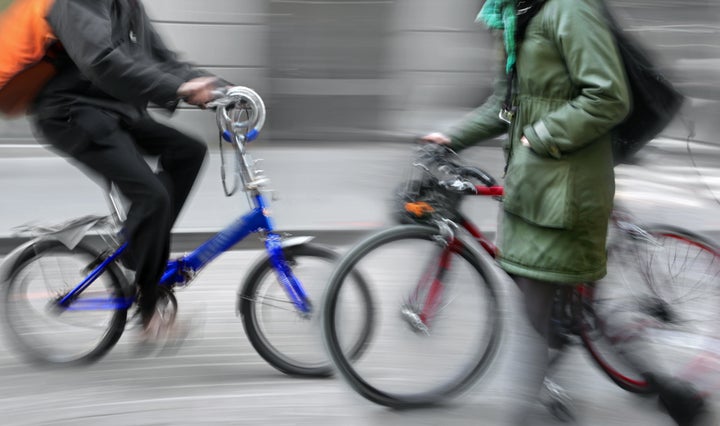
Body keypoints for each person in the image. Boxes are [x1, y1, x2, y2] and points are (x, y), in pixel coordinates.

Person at [421, 0, 712, 424]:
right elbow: (504, 107)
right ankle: (668, 392)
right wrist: (449, 137)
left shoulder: (570, 10)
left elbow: (609, 96)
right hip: (533, 190)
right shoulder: (514, 16)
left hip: (568, 192)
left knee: (538, 319)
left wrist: (541, 135)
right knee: (558, 312)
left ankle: (528, 408)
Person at [30, 0, 221, 342]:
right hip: (74, 114)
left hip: (117, 113)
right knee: (153, 197)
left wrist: (219, 88)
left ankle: (136, 248)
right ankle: (148, 309)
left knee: (189, 152)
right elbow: (102, 61)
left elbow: (160, 57)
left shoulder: (127, 3)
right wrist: (175, 88)